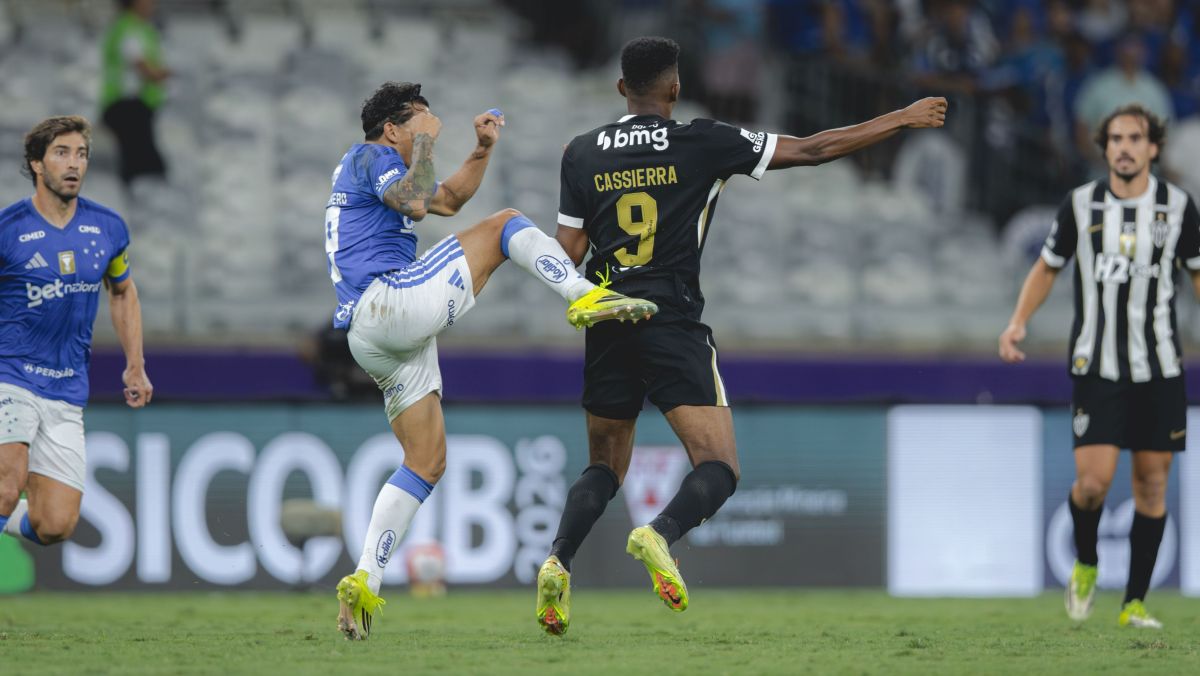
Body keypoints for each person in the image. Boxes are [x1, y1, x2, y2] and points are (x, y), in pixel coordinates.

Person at [535, 36, 946, 635]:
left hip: (607, 321)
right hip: (670, 320)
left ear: (621, 88)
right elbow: (813, 149)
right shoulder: (704, 139)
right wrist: (901, 118)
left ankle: (558, 559)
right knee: (719, 466)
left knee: (604, 467)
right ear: (675, 88)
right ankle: (659, 534)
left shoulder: (582, 151)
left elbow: (565, 253)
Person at [329, 82, 658, 641]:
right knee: (506, 224)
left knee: (425, 462)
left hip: (372, 335)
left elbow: (447, 201)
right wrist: (427, 143)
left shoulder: (375, 168)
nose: (429, 127)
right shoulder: (371, 156)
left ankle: (365, 579)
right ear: (391, 129)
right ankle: (583, 294)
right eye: (420, 121)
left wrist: (481, 150)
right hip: (387, 301)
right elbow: (415, 201)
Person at [999, 104, 1198, 630]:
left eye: (1134, 138)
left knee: (1151, 485)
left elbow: (1198, 273)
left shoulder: (1178, 207)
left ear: (1152, 147)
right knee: (1093, 484)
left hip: (1160, 367)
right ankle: (1086, 562)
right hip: (1098, 366)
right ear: (1105, 148)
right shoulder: (1081, 204)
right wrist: (1018, 322)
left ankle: (1133, 603)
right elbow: (1047, 267)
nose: (1124, 148)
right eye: (1115, 139)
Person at [0, 116, 152, 550]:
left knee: (54, 524)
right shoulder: (8, 230)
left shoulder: (107, 228)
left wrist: (135, 365)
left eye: (81, 154)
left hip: (67, 388)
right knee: (6, 487)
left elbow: (122, 292)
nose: (74, 164)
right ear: (36, 163)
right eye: (62, 153)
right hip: (10, 374)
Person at [100, 0, 170, 186]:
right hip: (127, 106)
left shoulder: (142, 28)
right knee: (145, 165)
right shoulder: (128, 27)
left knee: (138, 162)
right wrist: (160, 74)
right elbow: (138, 61)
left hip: (137, 105)